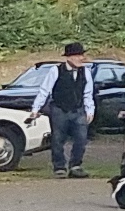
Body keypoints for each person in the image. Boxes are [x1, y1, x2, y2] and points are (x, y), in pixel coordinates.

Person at [40, 41, 94, 178]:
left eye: (82, 55)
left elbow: (88, 93)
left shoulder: (86, 72)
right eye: (78, 55)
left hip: (78, 109)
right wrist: (36, 108)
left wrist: (90, 110)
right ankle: (59, 167)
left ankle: (76, 166)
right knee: (58, 139)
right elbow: (44, 90)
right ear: (69, 57)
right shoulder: (55, 70)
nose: (82, 58)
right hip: (59, 109)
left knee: (81, 138)